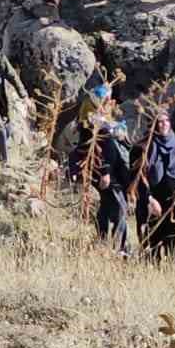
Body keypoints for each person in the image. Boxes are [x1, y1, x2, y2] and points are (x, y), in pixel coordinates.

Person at [67, 83, 133, 250]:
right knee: (119, 207)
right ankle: (120, 248)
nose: (110, 103)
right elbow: (96, 149)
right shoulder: (91, 123)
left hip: (115, 170)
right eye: (106, 99)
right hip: (105, 172)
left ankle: (102, 240)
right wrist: (105, 172)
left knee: (106, 205)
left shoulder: (103, 120)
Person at [134, 110, 175, 262]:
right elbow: (136, 178)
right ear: (153, 124)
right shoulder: (143, 147)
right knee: (151, 242)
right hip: (151, 201)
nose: (163, 124)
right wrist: (149, 199)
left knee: (173, 237)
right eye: (159, 121)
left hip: (172, 199)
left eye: (166, 120)